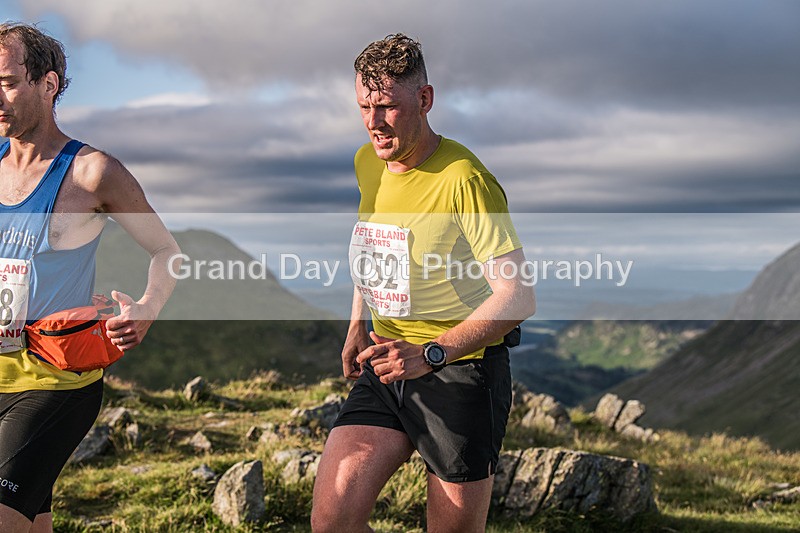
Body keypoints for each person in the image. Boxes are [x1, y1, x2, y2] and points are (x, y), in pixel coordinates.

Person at [312, 34, 536, 532]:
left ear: (424, 100)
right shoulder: (367, 161)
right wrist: (357, 323)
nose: (373, 122)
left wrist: (432, 352)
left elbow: (518, 295)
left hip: (460, 372)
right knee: (332, 522)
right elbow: (372, 241)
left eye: (388, 106)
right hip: (387, 362)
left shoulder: (465, 179)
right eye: (365, 106)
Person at [0, 23, 180, 532]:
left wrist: (147, 307)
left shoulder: (92, 173)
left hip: (54, 384)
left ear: (48, 84)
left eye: (9, 81)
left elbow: (167, 251)